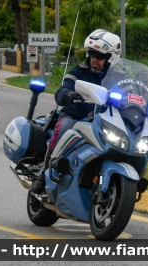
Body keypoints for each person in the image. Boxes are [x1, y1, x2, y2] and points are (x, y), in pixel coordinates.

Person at [29, 29, 121, 194]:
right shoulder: (78, 72)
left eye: (100, 57)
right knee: (64, 128)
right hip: (76, 118)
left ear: (111, 58)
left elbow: (132, 94)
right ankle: (44, 174)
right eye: (92, 55)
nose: (94, 60)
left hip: (105, 122)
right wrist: (69, 94)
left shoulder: (119, 78)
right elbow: (61, 91)